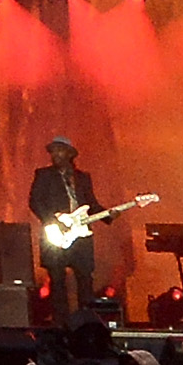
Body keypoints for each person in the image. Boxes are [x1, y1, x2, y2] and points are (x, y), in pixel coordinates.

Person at [29, 136, 107, 324]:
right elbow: (35, 202)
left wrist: (109, 215)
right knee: (57, 279)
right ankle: (61, 323)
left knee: (85, 279)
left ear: (69, 154)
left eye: (59, 150)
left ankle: (87, 323)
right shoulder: (44, 175)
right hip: (55, 235)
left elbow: (91, 204)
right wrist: (55, 221)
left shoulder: (83, 178)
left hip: (81, 235)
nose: (55, 154)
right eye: (53, 151)